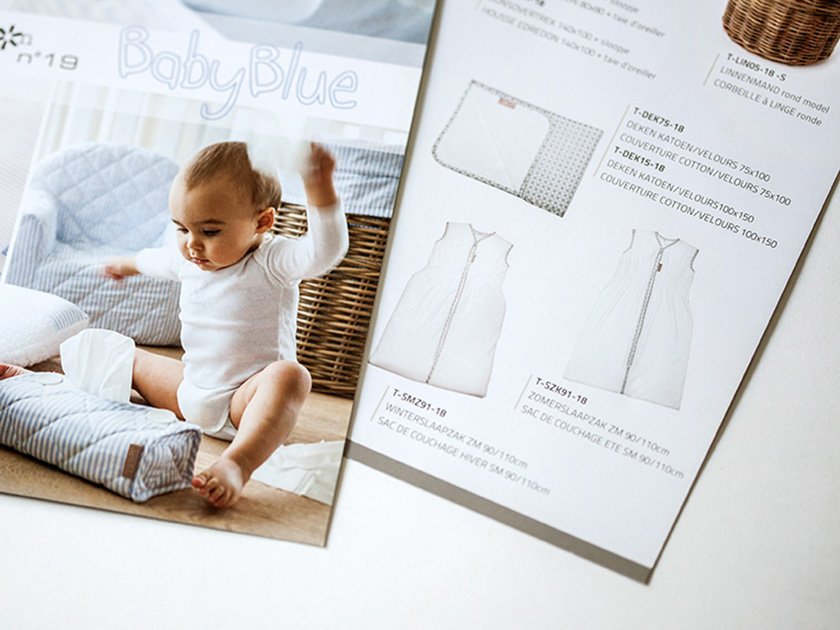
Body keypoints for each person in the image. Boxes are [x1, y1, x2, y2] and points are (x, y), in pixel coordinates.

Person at [99, 140, 348, 507]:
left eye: (209, 232)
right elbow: (156, 260)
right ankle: (54, 389)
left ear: (262, 222)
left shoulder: (271, 261)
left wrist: (319, 188)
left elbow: (323, 252)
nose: (192, 245)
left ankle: (237, 462)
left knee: (290, 376)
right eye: (182, 229)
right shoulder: (188, 259)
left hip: (243, 404)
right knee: (120, 353)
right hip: (190, 392)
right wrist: (125, 263)